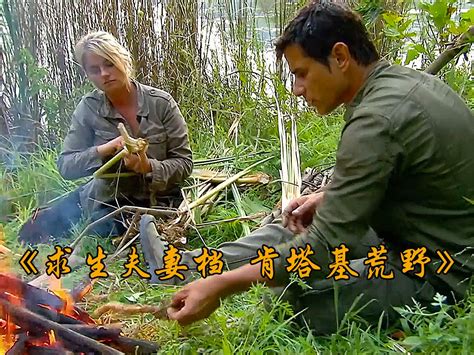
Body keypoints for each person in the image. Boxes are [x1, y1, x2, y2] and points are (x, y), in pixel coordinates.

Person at [142, 1, 473, 334]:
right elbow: (407, 175)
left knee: (286, 299)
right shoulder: (405, 84)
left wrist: (224, 286)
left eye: (302, 73)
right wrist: (329, 197)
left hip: (440, 273)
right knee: (292, 229)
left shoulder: (376, 120)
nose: (297, 88)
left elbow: (322, 248)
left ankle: (213, 279)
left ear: (340, 57)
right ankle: (181, 267)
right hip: (407, 235)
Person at [19, 31, 193, 245]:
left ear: (123, 60)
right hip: (106, 198)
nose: (104, 74)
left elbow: (184, 163)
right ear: (87, 74)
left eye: (109, 64)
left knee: (106, 230)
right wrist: (107, 149)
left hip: (157, 201)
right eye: (94, 70)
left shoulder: (161, 103)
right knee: (32, 232)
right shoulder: (88, 108)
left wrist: (147, 166)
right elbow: (66, 166)